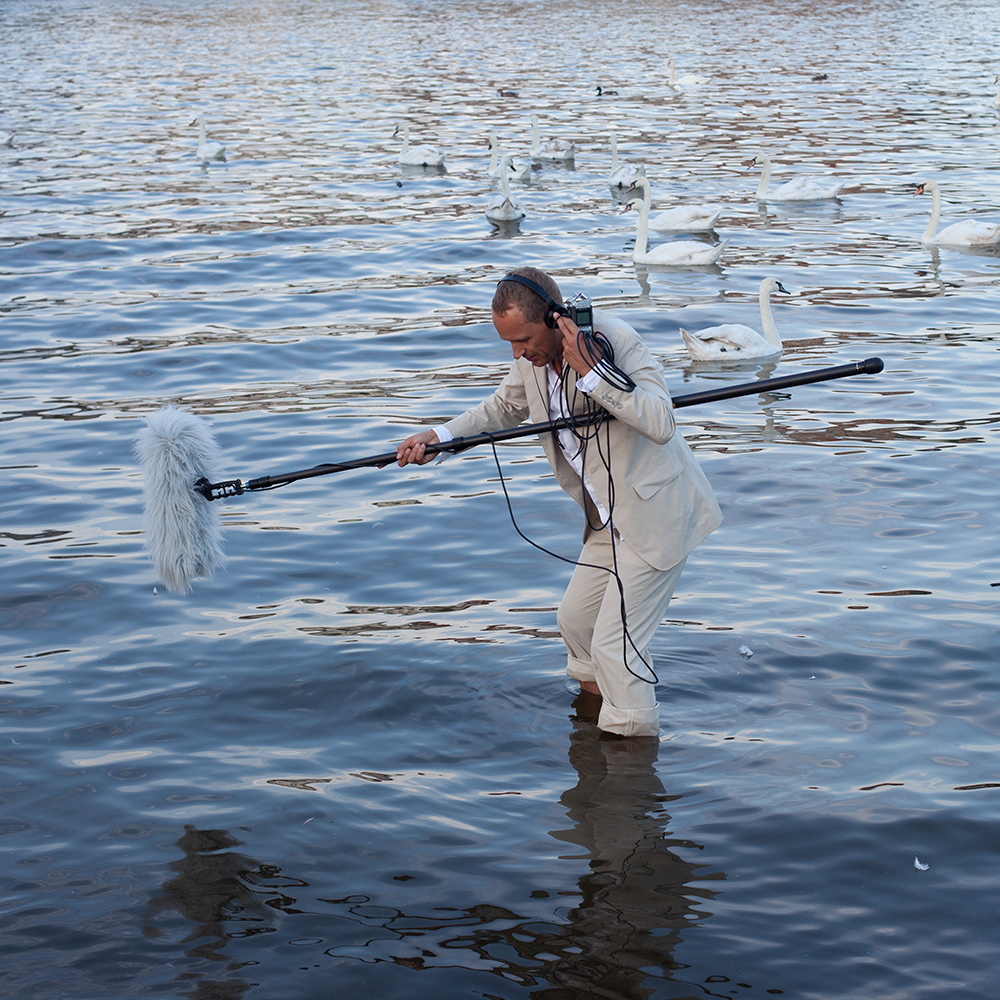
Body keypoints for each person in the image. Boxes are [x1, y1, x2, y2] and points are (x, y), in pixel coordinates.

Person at [395, 266, 722, 738]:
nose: (517, 353)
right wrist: (440, 436)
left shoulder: (615, 340)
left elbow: (660, 421)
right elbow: (502, 408)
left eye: (523, 339)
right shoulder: (530, 358)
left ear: (554, 318)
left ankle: (628, 764)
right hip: (606, 520)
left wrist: (592, 372)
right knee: (576, 622)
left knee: (617, 647)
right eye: (508, 344)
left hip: (656, 513)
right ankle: (594, 724)